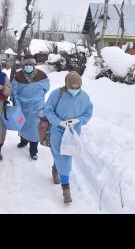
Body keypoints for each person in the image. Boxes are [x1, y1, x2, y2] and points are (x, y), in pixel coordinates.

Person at [44, 71, 93, 203]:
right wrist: (59, 122)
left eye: (78, 88)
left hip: (73, 133)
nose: (75, 90)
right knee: (63, 157)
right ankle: (66, 190)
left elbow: (88, 112)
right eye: (72, 87)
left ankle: (55, 170)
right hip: (58, 131)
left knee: (65, 155)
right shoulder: (56, 94)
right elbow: (47, 110)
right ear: (66, 84)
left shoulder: (85, 97)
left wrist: (79, 121)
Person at [12, 55, 50, 160]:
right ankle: (23, 141)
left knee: (34, 129)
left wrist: (37, 99)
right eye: (26, 64)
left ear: (34, 65)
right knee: (23, 125)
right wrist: (18, 105)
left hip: (37, 108)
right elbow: (14, 91)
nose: (28, 66)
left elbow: (46, 88)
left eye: (30, 64)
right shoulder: (18, 76)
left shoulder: (42, 75)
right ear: (23, 65)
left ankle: (33, 151)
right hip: (23, 107)